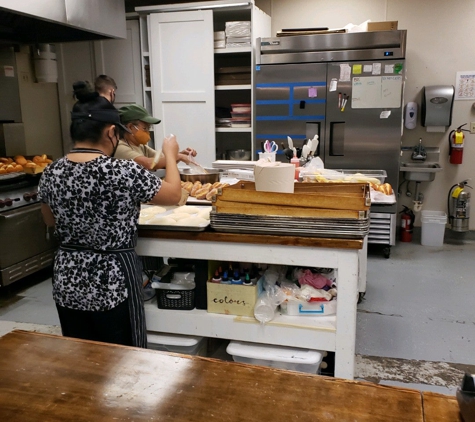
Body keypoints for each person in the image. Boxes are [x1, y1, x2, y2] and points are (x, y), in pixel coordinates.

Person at [37, 82, 182, 348]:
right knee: (121, 355)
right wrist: (171, 155)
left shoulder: (51, 171)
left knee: (81, 351)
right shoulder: (122, 170)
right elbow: (173, 195)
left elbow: (50, 220)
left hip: (68, 275)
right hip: (113, 277)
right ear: (112, 132)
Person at [115, 104, 197, 170]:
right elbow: (149, 163)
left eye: (148, 128)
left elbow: (164, 161)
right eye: (145, 128)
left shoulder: (141, 146)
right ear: (130, 127)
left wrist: (182, 153)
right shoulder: (120, 147)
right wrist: (179, 156)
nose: (148, 132)